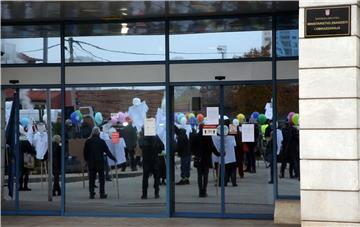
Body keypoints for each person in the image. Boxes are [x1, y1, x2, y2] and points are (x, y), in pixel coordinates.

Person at [84, 127, 116, 199]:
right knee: (101, 179)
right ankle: (102, 193)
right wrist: (113, 158)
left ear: (92, 133)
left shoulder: (88, 141)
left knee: (91, 179)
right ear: (99, 133)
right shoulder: (101, 141)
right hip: (100, 162)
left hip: (91, 162)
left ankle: (91, 194)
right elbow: (107, 151)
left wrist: (87, 160)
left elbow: (85, 152)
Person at [193, 124, 220, 197]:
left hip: (198, 158)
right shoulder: (208, 136)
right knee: (205, 175)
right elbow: (212, 147)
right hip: (206, 158)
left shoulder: (196, 136)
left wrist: (196, 154)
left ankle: (200, 191)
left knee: (199, 175)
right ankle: (204, 191)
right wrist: (218, 154)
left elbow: (193, 147)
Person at [138, 129, 164, 199]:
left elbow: (141, 146)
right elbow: (162, 146)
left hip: (146, 160)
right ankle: (156, 193)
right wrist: (157, 150)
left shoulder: (142, 138)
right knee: (156, 177)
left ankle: (144, 194)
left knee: (145, 177)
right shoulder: (156, 137)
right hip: (155, 159)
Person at [19, 126, 36, 191]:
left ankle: (20, 186)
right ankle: (25, 186)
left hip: (19, 159)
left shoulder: (17, 141)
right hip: (27, 158)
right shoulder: (26, 141)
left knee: (20, 173)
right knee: (26, 173)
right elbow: (31, 150)